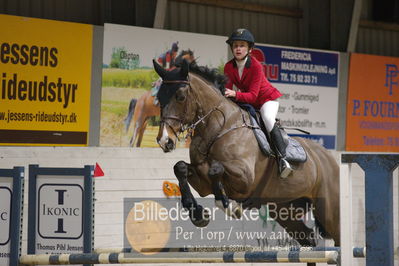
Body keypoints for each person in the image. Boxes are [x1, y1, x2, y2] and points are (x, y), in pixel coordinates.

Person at [224, 28, 292, 178]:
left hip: (267, 99)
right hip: (249, 100)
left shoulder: (255, 66)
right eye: (235, 46)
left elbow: (254, 96)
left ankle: (283, 160)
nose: (238, 49)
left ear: (249, 49)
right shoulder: (229, 67)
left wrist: (235, 94)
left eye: (242, 45)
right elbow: (227, 91)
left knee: (267, 118)